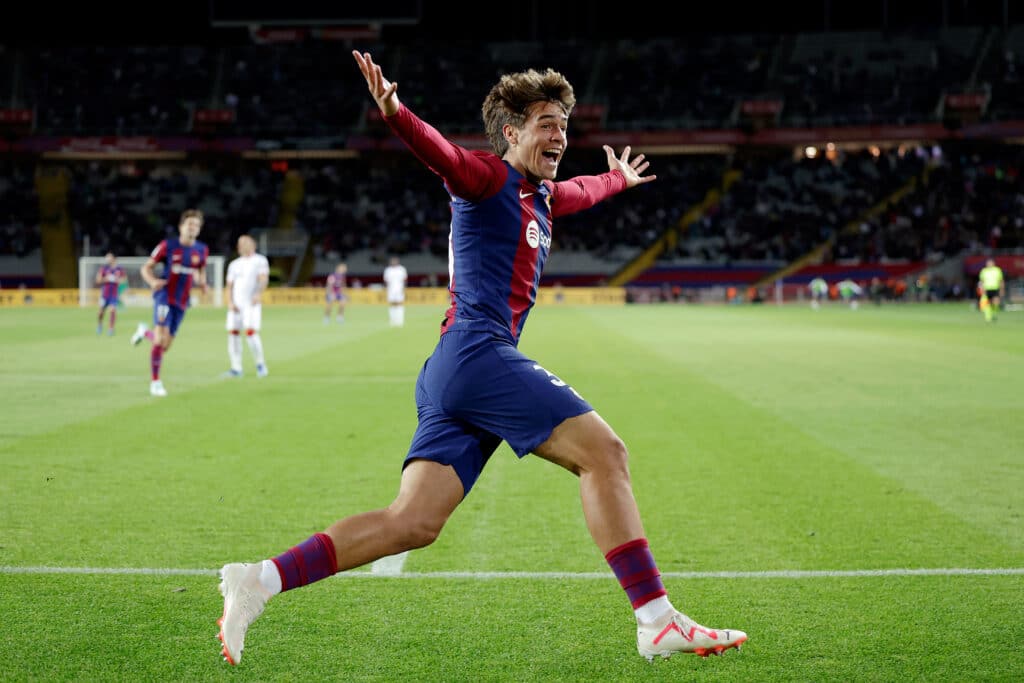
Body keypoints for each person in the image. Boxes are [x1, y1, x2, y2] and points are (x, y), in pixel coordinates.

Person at [216, 50, 747, 667]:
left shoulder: (542, 199)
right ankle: (656, 620)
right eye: (548, 122)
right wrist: (394, 110)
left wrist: (618, 180)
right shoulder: (487, 178)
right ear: (512, 131)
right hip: (477, 352)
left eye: (565, 125)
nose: (561, 135)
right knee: (605, 454)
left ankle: (257, 581)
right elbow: (441, 153)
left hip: (454, 368)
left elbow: (582, 189)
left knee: (412, 521)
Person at [130, 209, 209, 397]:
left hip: (182, 301)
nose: (193, 228)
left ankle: (144, 332)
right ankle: (155, 383)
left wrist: (202, 282)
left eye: (196, 225)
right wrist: (152, 282)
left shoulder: (201, 250)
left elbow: (200, 269)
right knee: (160, 339)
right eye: (189, 224)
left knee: (165, 345)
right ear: (181, 227)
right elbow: (146, 267)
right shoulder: (168, 246)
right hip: (164, 295)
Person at [225, 234, 270, 378]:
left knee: (250, 332)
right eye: (239, 243)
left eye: (244, 243)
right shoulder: (234, 264)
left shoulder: (260, 261)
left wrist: (258, 293)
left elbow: (263, 279)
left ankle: (260, 364)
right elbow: (229, 286)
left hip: (251, 303)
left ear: (252, 245)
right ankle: (236, 368)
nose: (241, 245)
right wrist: (230, 302)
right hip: (236, 305)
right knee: (233, 334)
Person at [95, 251, 126, 335]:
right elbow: (98, 280)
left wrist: (116, 279)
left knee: (112, 311)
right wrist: (107, 278)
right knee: (101, 312)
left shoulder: (119, 269)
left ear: (113, 258)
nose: (107, 259)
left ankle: (111, 329)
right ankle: (100, 325)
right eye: (106, 257)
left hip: (114, 295)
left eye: (109, 257)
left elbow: (124, 280)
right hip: (104, 294)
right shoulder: (104, 269)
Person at [383, 255, 408, 327]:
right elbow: (386, 281)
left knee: (399, 304)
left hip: (399, 289)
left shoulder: (401, 269)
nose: (393, 262)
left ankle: (400, 320)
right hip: (391, 289)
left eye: (395, 261)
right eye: (392, 261)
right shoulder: (388, 270)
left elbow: (405, 280)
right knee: (392, 304)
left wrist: (404, 288)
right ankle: (392, 320)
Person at [977, 258, 1005, 322]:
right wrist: (981, 289)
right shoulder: (984, 271)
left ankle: (994, 313)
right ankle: (988, 317)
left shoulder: (997, 270)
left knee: (996, 303)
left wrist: (1002, 289)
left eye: (991, 263)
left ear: (993, 263)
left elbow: (1001, 280)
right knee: (987, 303)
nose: (989, 264)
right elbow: (981, 281)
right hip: (987, 289)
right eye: (988, 263)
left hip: (995, 288)